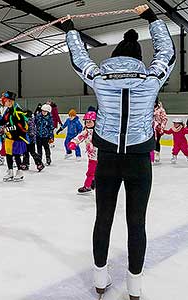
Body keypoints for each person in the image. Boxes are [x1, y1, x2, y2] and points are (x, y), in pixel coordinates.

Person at [62, 4, 175, 299]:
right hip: (140, 160)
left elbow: (79, 59)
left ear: (114, 58)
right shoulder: (152, 79)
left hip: (107, 160)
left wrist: (71, 29)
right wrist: (151, 18)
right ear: (139, 59)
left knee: (103, 218)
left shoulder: (99, 78)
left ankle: (100, 279)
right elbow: (168, 54)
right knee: (137, 222)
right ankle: (135, 287)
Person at [0, 91, 28, 181]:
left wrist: (7, 129)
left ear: (10, 101)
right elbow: (3, 120)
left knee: (17, 155)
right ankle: (10, 171)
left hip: (17, 137)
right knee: (8, 154)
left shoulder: (18, 111)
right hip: (9, 137)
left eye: (5, 101)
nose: (4, 103)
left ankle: (19, 171)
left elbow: (21, 125)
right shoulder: (8, 110)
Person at [68, 111, 98, 194]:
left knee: (100, 173)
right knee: (91, 172)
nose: (88, 124)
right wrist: (73, 143)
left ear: (95, 122)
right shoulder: (86, 131)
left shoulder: (100, 132)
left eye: (90, 122)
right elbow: (79, 137)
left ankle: (92, 184)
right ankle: (89, 185)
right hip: (92, 156)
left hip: (102, 156)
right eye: (86, 122)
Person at [152, 99, 167, 163]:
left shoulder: (161, 110)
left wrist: (162, 127)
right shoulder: (148, 109)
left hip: (158, 128)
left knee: (157, 141)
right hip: (149, 128)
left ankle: (157, 154)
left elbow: (164, 119)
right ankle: (151, 155)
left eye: (154, 102)